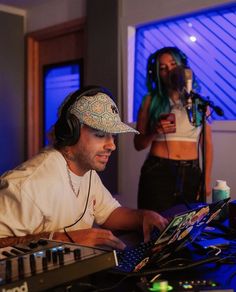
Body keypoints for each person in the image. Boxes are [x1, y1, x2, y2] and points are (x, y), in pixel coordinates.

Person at [0, 86, 168, 249]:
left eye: (113, 137)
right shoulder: (28, 185)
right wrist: (63, 240)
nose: (111, 146)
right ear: (70, 133)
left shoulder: (87, 171)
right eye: (100, 135)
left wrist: (143, 217)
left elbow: (108, 212)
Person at [134, 47, 213, 213]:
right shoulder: (150, 100)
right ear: (157, 74)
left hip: (191, 173)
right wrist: (155, 131)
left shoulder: (198, 103)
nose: (169, 70)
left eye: (172, 64)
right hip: (158, 172)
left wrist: (206, 179)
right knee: (155, 231)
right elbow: (138, 144)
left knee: (188, 230)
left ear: (182, 66)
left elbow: (207, 145)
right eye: (163, 68)